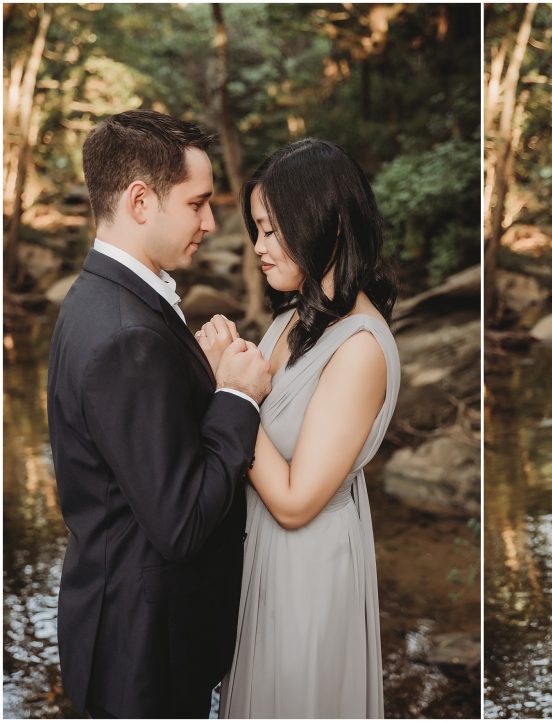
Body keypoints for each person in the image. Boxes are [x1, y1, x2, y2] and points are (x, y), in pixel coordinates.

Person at [47, 109, 272, 718]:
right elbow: (181, 522)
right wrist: (236, 396)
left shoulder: (95, 298)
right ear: (141, 202)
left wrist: (191, 375)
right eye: (198, 203)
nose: (210, 221)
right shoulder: (127, 335)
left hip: (123, 623)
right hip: (143, 651)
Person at [217, 138, 400, 718]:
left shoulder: (361, 348)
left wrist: (232, 393)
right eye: (256, 229)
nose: (258, 246)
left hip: (309, 569)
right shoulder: (293, 320)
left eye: (272, 230)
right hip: (262, 550)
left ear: (332, 225)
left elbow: (295, 500)